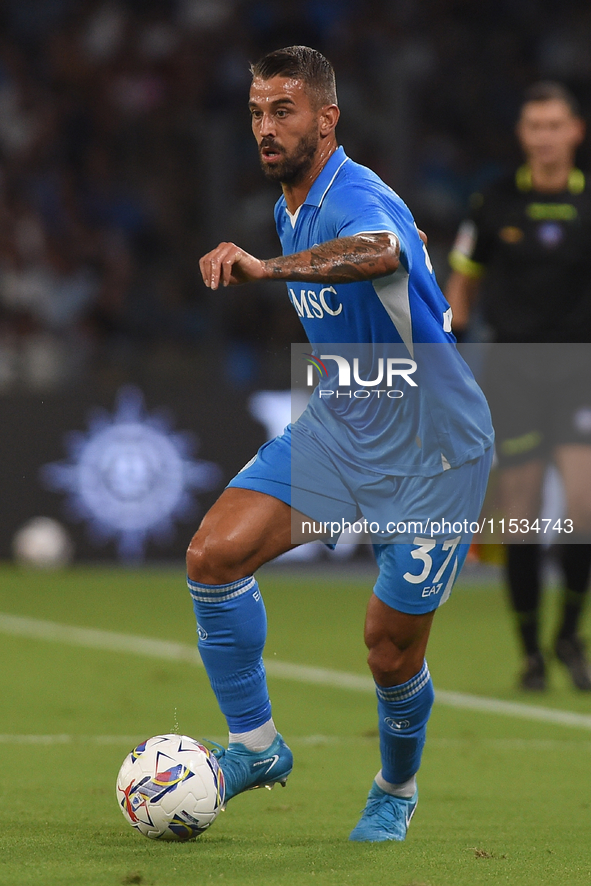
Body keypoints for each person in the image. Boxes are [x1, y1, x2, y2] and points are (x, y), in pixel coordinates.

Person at [189, 45, 493, 842]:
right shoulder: (295, 201)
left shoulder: (351, 197)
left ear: (326, 119)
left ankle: (395, 788)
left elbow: (380, 250)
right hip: (344, 425)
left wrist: (265, 271)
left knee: (388, 654)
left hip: (434, 452)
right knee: (212, 557)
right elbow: (401, 249)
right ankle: (255, 749)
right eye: (256, 112)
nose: (265, 127)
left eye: (282, 111)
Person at [446, 81, 591, 692]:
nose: (546, 136)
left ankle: (569, 635)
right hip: (514, 367)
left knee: (583, 507)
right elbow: (463, 280)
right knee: (522, 515)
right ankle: (532, 649)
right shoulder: (495, 200)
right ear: (523, 135)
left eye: (556, 125)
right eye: (535, 125)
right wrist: (448, 342)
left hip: (580, 368)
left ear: (576, 132)